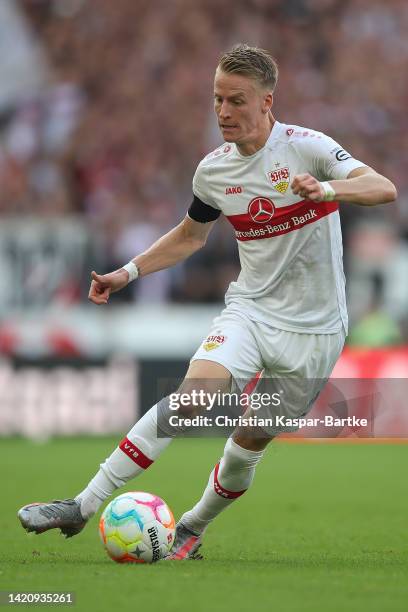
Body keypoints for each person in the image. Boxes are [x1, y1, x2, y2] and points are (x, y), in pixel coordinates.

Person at [18, 44, 397, 559]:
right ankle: (82, 505)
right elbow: (189, 236)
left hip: (316, 330)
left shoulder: (308, 148)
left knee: (247, 446)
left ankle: (192, 526)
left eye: (236, 101)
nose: (223, 112)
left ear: (268, 101)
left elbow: (383, 187)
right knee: (191, 399)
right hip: (250, 311)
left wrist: (329, 190)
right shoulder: (213, 172)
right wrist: (127, 273)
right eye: (217, 99)